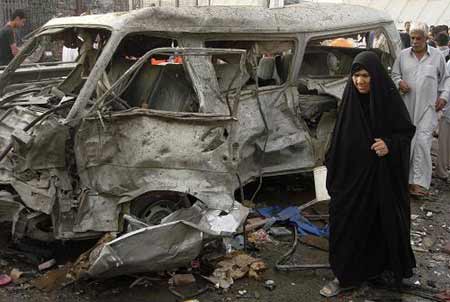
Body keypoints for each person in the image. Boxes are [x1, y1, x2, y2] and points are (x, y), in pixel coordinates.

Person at [320, 51, 416, 297]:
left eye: (365, 75)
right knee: (346, 223)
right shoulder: (350, 101)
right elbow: (339, 137)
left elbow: (405, 132)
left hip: (380, 179)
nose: (360, 81)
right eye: (355, 75)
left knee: (378, 224)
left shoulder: (388, 100)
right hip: (350, 179)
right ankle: (346, 275)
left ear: (376, 76)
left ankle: (376, 269)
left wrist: (389, 144)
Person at [392, 23, 449, 197]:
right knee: (408, 142)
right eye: (412, 38)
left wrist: (444, 97)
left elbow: (446, 80)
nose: (415, 41)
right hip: (407, 108)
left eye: (418, 38)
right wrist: (399, 82)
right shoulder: (402, 56)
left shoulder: (437, 56)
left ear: (427, 39)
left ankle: (419, 183)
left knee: (423, 143)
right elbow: (394, 75)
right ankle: (404, 181)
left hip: (428, 108)